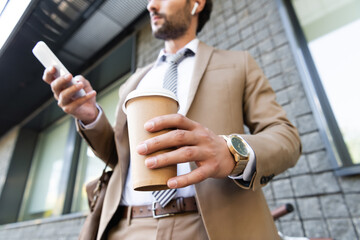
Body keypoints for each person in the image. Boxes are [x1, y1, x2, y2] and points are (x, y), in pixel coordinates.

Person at [43, 0, 301, 239]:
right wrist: (91, 117)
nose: (151, 5)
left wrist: (232, 152)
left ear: (196, 4)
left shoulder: (239, 63)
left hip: (209, 227)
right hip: (126, 226)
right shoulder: (134, 81)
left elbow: (286, 136)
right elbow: (118, 157)